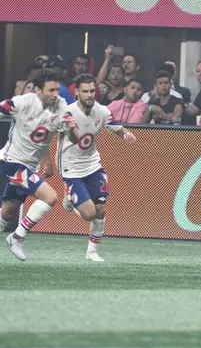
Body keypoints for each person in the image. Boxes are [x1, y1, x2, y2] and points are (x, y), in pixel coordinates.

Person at [59, 74, 137, 261]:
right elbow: (72, 139)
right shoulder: (67, 113)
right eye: (85, 91)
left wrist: (126, 134)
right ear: (77, 92)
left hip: (92, 164)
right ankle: (70, 195)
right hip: (71, 166)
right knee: (89, 214)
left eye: (92, 91)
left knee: (100, 210)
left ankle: (92, 252)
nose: (89, 95)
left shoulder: (101, 111)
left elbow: (116, 126)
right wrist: (70, 129)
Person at [0, 69, 69, 261]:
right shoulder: (23, 102)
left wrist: (47, 160)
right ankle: (17, 237)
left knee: (6, 216)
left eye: (57, 89)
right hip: (12, 162)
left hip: (29, 166)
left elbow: (46, 136)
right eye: (51, 90)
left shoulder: (61, 106)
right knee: (50, 197)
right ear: (38, 90)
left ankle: (12, 233)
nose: (56, 94)